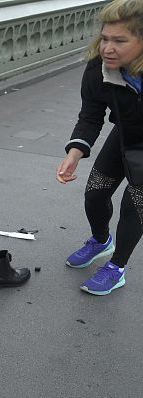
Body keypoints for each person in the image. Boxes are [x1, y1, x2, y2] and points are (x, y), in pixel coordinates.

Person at [56, 0, 143, 296]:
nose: (107, 47)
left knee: (135, 206)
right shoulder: (98, 70)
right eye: (105, 38)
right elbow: (91, 115)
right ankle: (101, 240)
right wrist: (74, 153)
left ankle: (116, 268)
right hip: (126, 134)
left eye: (119, 41)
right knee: (95, 193)